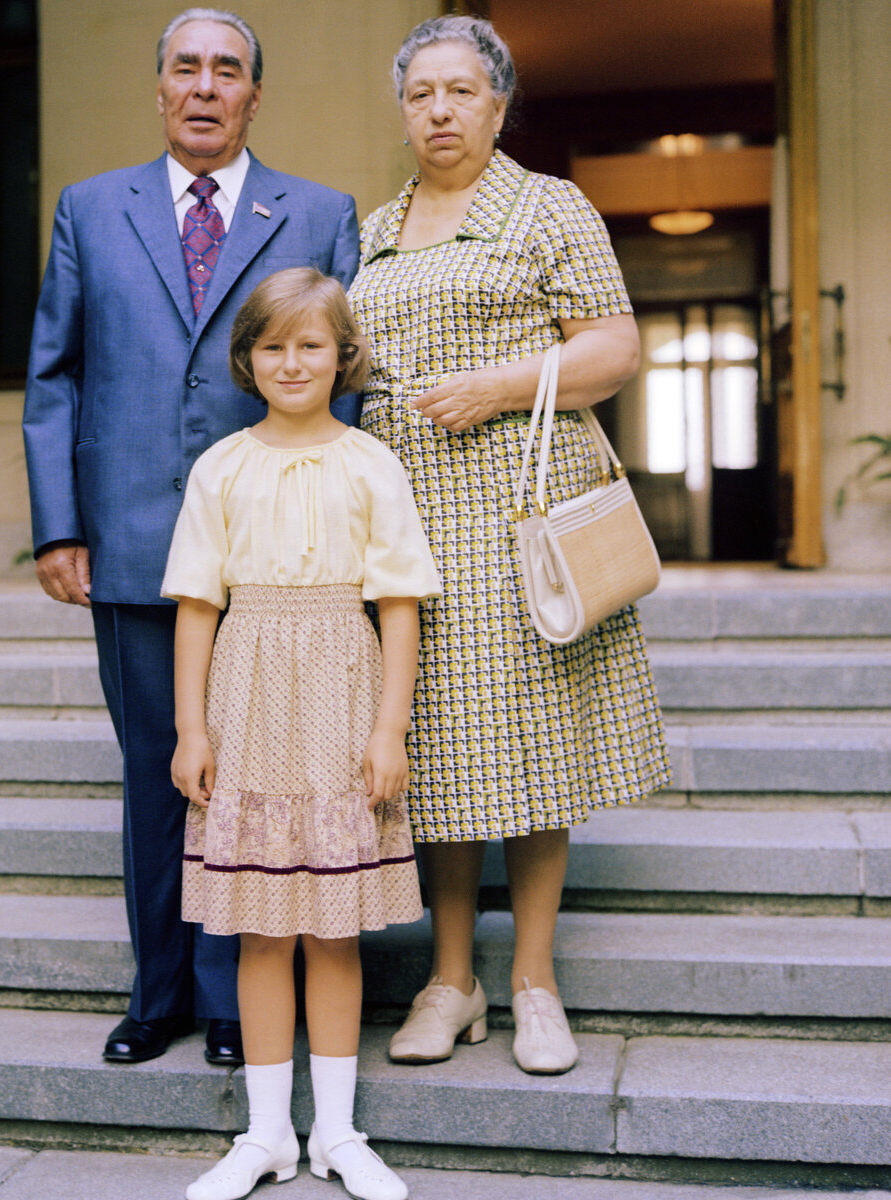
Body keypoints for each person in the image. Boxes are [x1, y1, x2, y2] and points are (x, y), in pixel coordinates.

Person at [22, 8, 359, 1068]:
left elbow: (349, 385)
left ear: (254, 95)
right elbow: (54, 376)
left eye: (227, 71)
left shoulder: (318, 211)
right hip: (126, 542)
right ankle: (155, 990)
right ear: (158, 88)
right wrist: (58, 526)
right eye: (186, 69)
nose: (205, 87)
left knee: (249, 772)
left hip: (275, 557)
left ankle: (231, 1003)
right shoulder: (89, 207)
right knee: (154, 771)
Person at [348, 16, 670, 1076]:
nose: (438, 111)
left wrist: (501, 384)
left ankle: (532, 980)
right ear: (403, 112)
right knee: (436, 755)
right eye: (419, 95)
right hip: (408, 524)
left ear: (497, 105)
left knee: (534, 750)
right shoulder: (375, 228)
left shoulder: (546, 206)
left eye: (460, 92)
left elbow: (614, 344)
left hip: (521, 518)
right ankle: (452, 980)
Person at [165, 268, 440, 1200]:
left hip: (340, 695)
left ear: (342, 356)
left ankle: (337, 1132)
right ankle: (266, 1136)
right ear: (248, 358)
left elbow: (399, 603)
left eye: (311, 345)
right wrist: (190, 729)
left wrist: (388, 730)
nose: (293, 362)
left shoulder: (371, 463)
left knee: (332, 933)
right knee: (259, 934)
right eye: (274, 346)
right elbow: (199, 605)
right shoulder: (222, 467)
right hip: (247, 699)